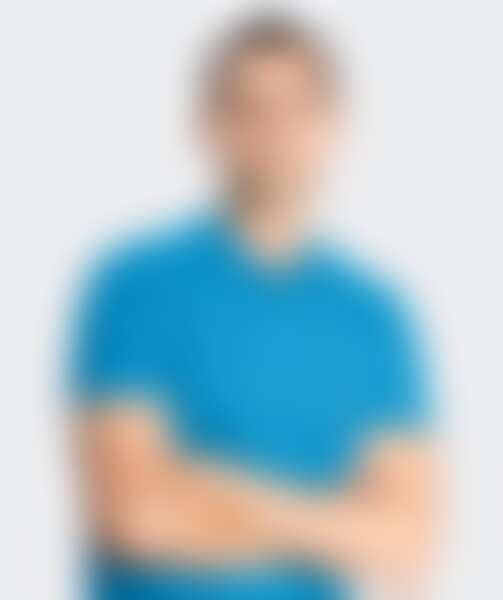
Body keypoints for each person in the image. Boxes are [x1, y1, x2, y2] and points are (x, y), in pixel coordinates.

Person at [71, 15, 437, 600]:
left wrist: (221, 495)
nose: (273, 131)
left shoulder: (371, 318)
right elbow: (134, 518)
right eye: (249, 108)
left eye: (295, 108)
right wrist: (332, 520)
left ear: (331, 125)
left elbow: (407, 541)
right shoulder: (138, 288)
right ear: (210, 124)